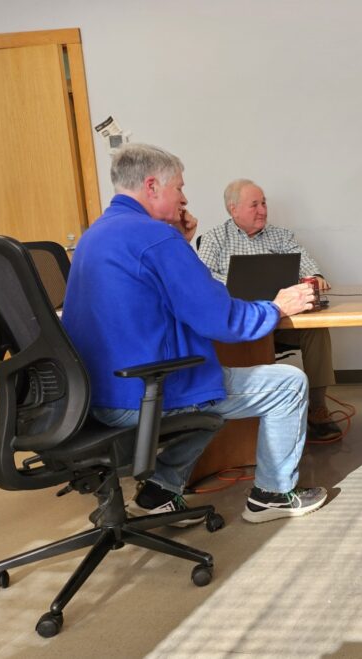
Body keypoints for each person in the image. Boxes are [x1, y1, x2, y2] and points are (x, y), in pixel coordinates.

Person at [62, 144, 327, 524]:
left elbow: (153, 294)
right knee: (288, 384)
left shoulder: (96, 235)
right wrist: (277, 308)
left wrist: (180, 244)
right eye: (179, 188)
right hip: (142, 393)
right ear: (152, 186)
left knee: (209, 395)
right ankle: (271, 496)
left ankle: (158, 493)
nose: (184, 199)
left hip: (96, 394)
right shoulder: (155, 238)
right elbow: (219, 319)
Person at [197, 179, 341, 441]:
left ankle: (318, 407)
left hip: (281, 321)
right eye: (254, 205)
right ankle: (236, 410)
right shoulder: (214, 238)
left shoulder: (281, 236)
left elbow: (307, 265)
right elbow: (201, 279)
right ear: (233, 209)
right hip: (240, 324)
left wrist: (316, 276)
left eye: (264, 203)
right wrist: (234, 285)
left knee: (316, 329)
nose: (263, 210)